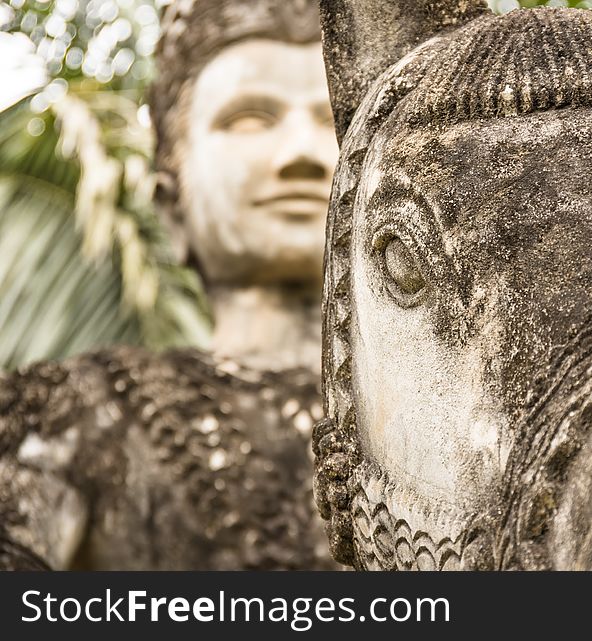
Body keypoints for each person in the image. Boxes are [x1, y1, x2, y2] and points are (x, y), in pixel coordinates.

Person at [0, 0, 339, 570]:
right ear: (170, 206)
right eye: (252, 118)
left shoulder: (474, 414)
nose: (304, 154)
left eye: (335, 119)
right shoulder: (84, 409)